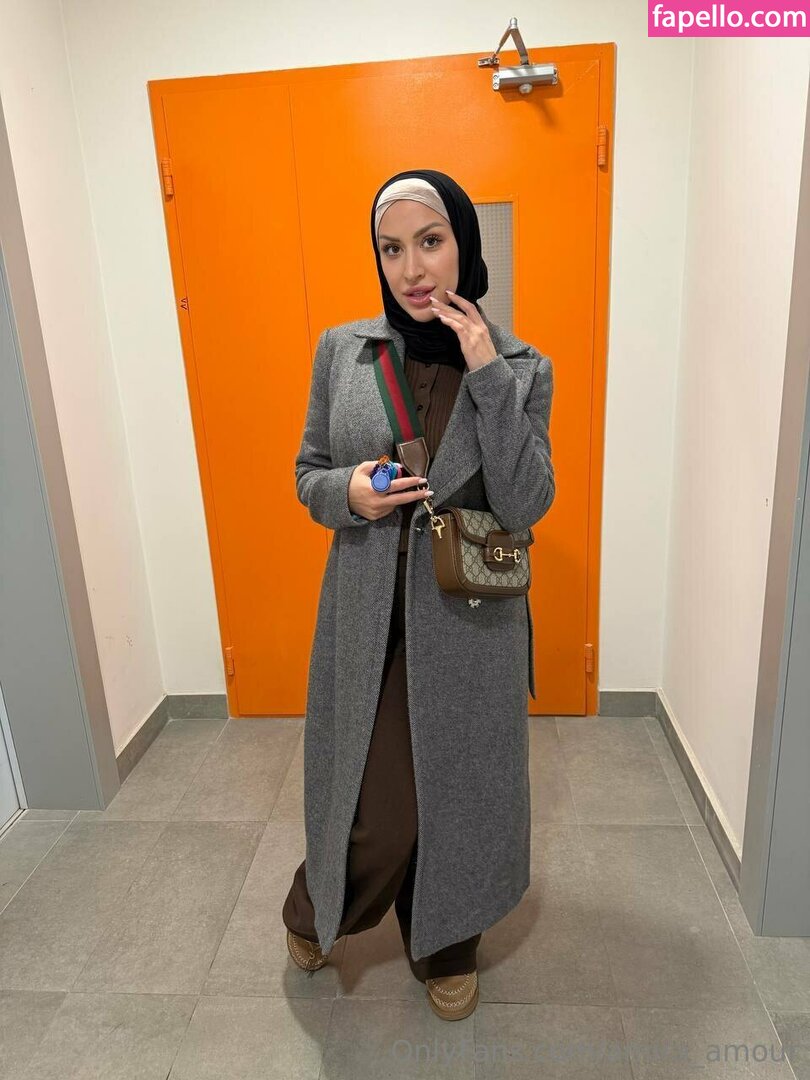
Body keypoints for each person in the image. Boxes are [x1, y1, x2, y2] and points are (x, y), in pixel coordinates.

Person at [282, 169, 555, 1021]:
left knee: (460, 790)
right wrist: (346, 493)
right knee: (381, 808)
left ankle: (446, 946)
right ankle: (315, 905)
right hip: (367, 610)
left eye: (430, 242)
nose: (412, 268)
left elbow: (526, 500)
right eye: (391, 248)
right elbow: (308, 472)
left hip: (467, 616)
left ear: (463, 246)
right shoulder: (343, 350)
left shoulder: (521, 365)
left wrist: (487, 375)